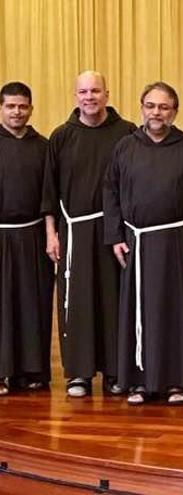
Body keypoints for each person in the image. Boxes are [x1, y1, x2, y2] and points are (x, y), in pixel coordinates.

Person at [103, 82, 183, 406]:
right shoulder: (125, 147)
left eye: (164, 107)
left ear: (175, 111)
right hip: (136, 242)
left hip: (178, 243)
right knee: (140, 313)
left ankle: (176, 382)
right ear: (142, 108)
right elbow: (111, 193)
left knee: (176, 314)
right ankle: (139, 381)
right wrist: (114, 237)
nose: (157, 113)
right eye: (151, 106)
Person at [42, 71, 136, 398]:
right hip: (74, 231)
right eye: (83, 91)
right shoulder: (61, 136)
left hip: (114, 231)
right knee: (77, 302)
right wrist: (52, 234)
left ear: (107, 94)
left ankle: (114, 371)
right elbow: (49, 193)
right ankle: (78, 374)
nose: (89, 97)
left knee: (113, 300)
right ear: (75, 96)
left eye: (95, 90)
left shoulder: (127, 134)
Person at [0, 82, 53, 395]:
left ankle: (34, 371)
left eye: (22, 106)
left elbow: (50, 194)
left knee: (34, 304)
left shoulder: (43, 146)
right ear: (1, 108)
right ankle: (2, 372)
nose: (17, 112)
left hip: (33, 235)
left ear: (31, 108)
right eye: (10, 106)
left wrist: (50, 233)